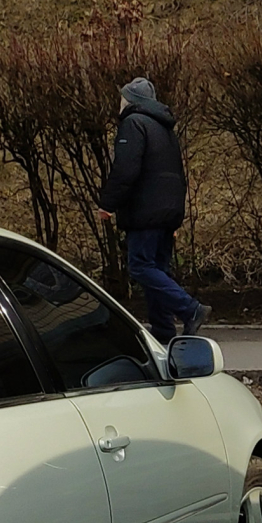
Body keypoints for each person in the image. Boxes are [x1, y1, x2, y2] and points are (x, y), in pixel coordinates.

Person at [94, 77, 205, 342]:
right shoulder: (165, 129)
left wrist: (108, 204)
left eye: (123, 98)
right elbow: (177, 173)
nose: (119, 103)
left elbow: (126, 170)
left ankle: (190, 309)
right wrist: (174, 215)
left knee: (141, 266)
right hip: (167, 211)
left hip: (145, 213)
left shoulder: (133, 124)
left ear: (132, 100)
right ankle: (164, 334)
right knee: (158, 270)